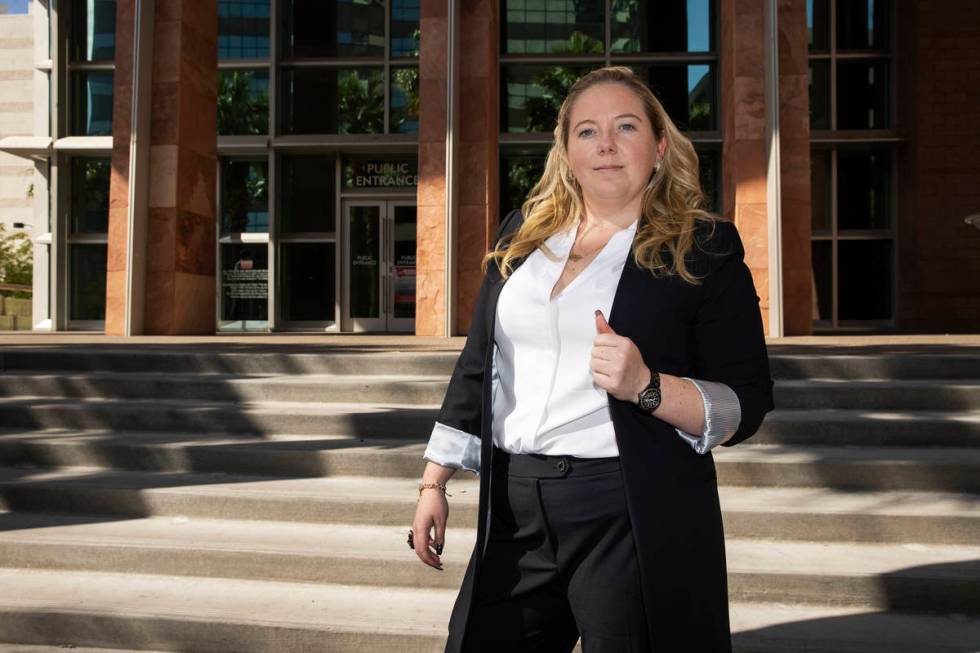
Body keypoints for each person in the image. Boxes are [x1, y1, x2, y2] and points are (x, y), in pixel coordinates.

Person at [410, 66, 774, 653]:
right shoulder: (522, 235)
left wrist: (647, 386)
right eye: (587, 131)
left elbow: (746, 400)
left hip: (628, 512)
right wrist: (435, 482)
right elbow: (481, 365)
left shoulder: (704, 247)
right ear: (567, 152)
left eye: (625, 126)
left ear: (658, 148)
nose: (605, 143)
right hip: (515, 505)